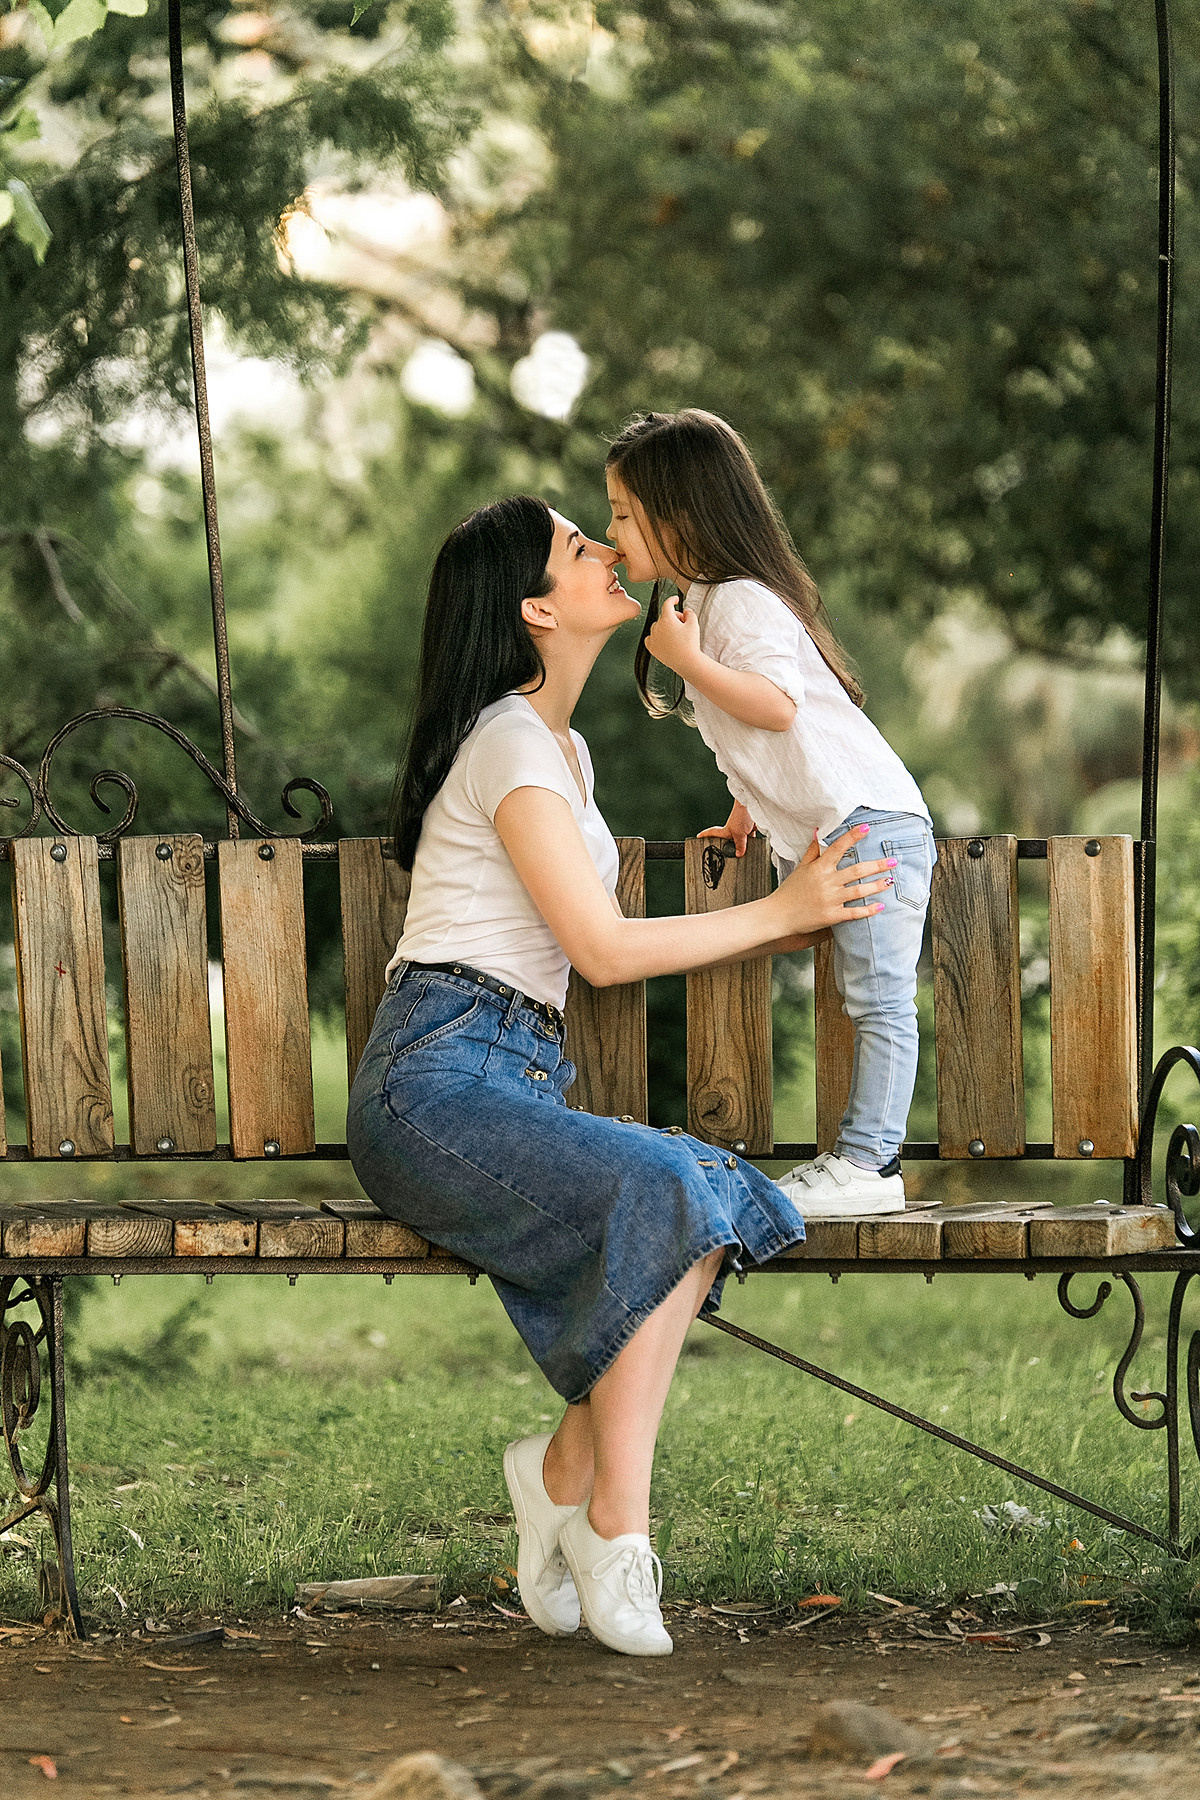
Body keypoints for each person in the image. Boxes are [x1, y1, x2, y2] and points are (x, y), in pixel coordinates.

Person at [346, 494, 892, 1657]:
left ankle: (560, 1474)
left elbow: (585, 937)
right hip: (433, 1086)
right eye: (578, 547)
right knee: (673, 1189)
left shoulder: (566, 749)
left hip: (509, 1077)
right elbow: (599, 952)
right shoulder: (504, 742)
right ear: (538, 609)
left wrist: (764, 856)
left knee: (694, 1193)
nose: (607, 552)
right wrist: (778, 914)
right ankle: (614, 1530)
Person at [605, 409, 934, 1217]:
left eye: (621, 513)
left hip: (870, 821)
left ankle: (871, 1167)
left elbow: (778, 709)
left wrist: (684, 661)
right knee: (844, 975)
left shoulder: (739, 601)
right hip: (836, 825)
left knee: (878, 997)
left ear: (678, 514)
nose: (611, 534)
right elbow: (755, 744)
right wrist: (744, 815)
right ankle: (862, 1162)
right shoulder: (707, 607)